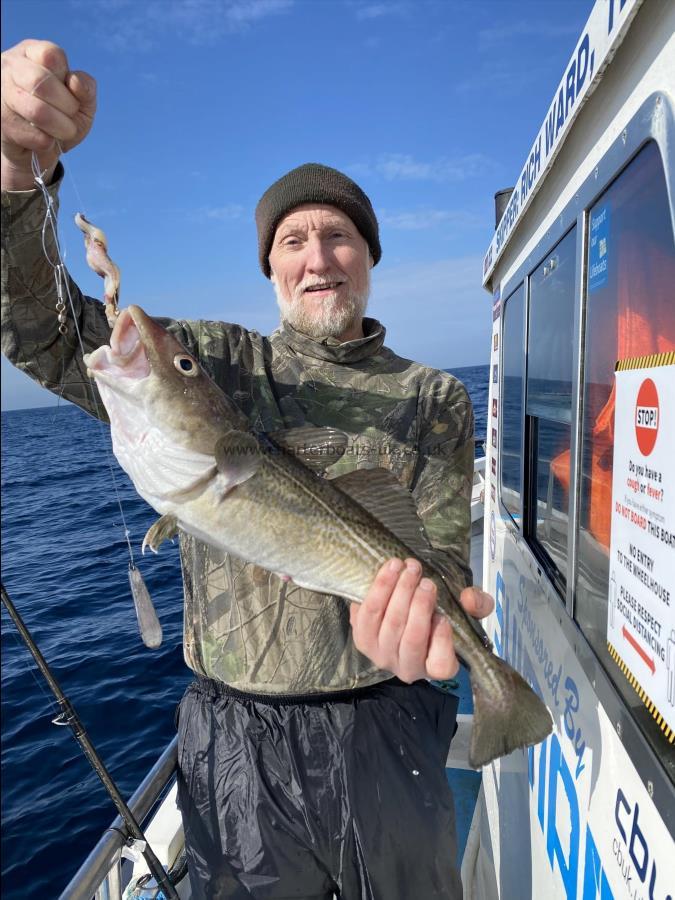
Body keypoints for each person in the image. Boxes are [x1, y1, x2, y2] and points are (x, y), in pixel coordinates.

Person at [2, 39, 494, 900]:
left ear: (369, 257)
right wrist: (14, 176)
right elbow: (50, 335)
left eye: (338, 236)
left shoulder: (435, 397)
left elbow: (442, 553)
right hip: (236, 742)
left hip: (393, 724)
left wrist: (429, 626)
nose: (316, 257)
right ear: (268, 265)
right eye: (293, 239)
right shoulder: (219, 362)